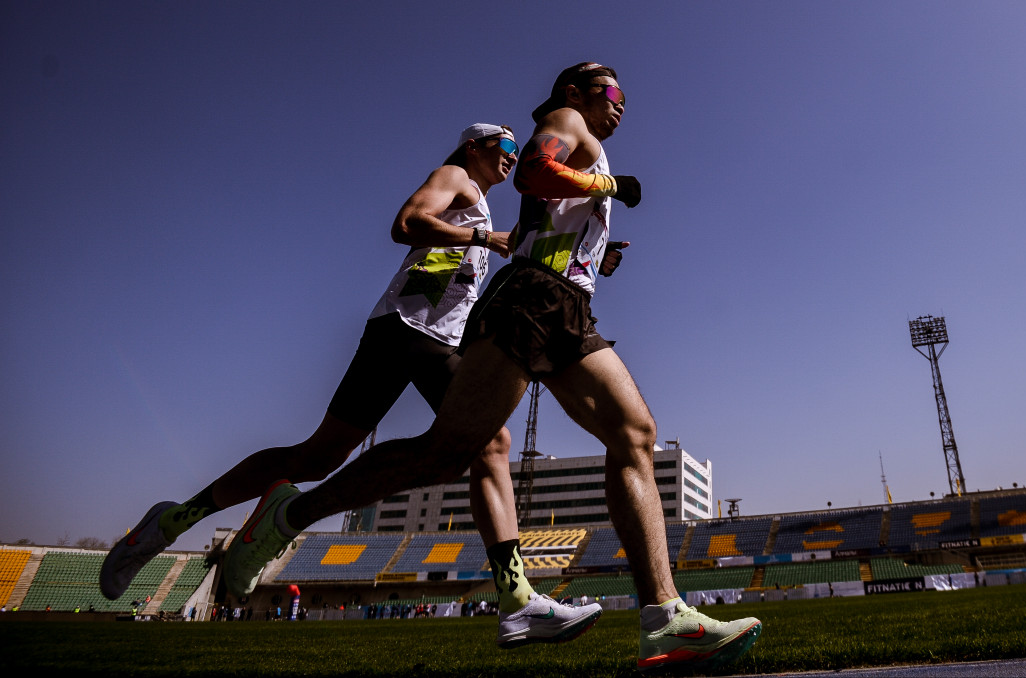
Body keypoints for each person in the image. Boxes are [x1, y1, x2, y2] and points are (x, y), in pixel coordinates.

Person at [221, 62, 761, 672]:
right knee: (450, 451)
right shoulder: (567, 121)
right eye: (612, 93)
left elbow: (546, 218)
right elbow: (534, 171)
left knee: (634, 433)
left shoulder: (586, 142)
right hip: (531, 300)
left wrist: (593, 254)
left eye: (624, 99)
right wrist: (613, 190)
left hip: (565, 302)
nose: (620, 105)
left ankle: (666, 620)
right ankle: (290, 514)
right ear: (574, 91)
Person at [100, 122, 606, 646]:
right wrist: (481, 236)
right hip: (409, 330)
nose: (509, 156)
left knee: (319, 457)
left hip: (417, 334)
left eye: (512, 149)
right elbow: (408, 222)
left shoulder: (479, 201)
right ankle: (517, 598)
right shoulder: (454, 176)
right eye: (501, 146)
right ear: (473, 147)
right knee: (491, 441)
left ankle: (172, 522)